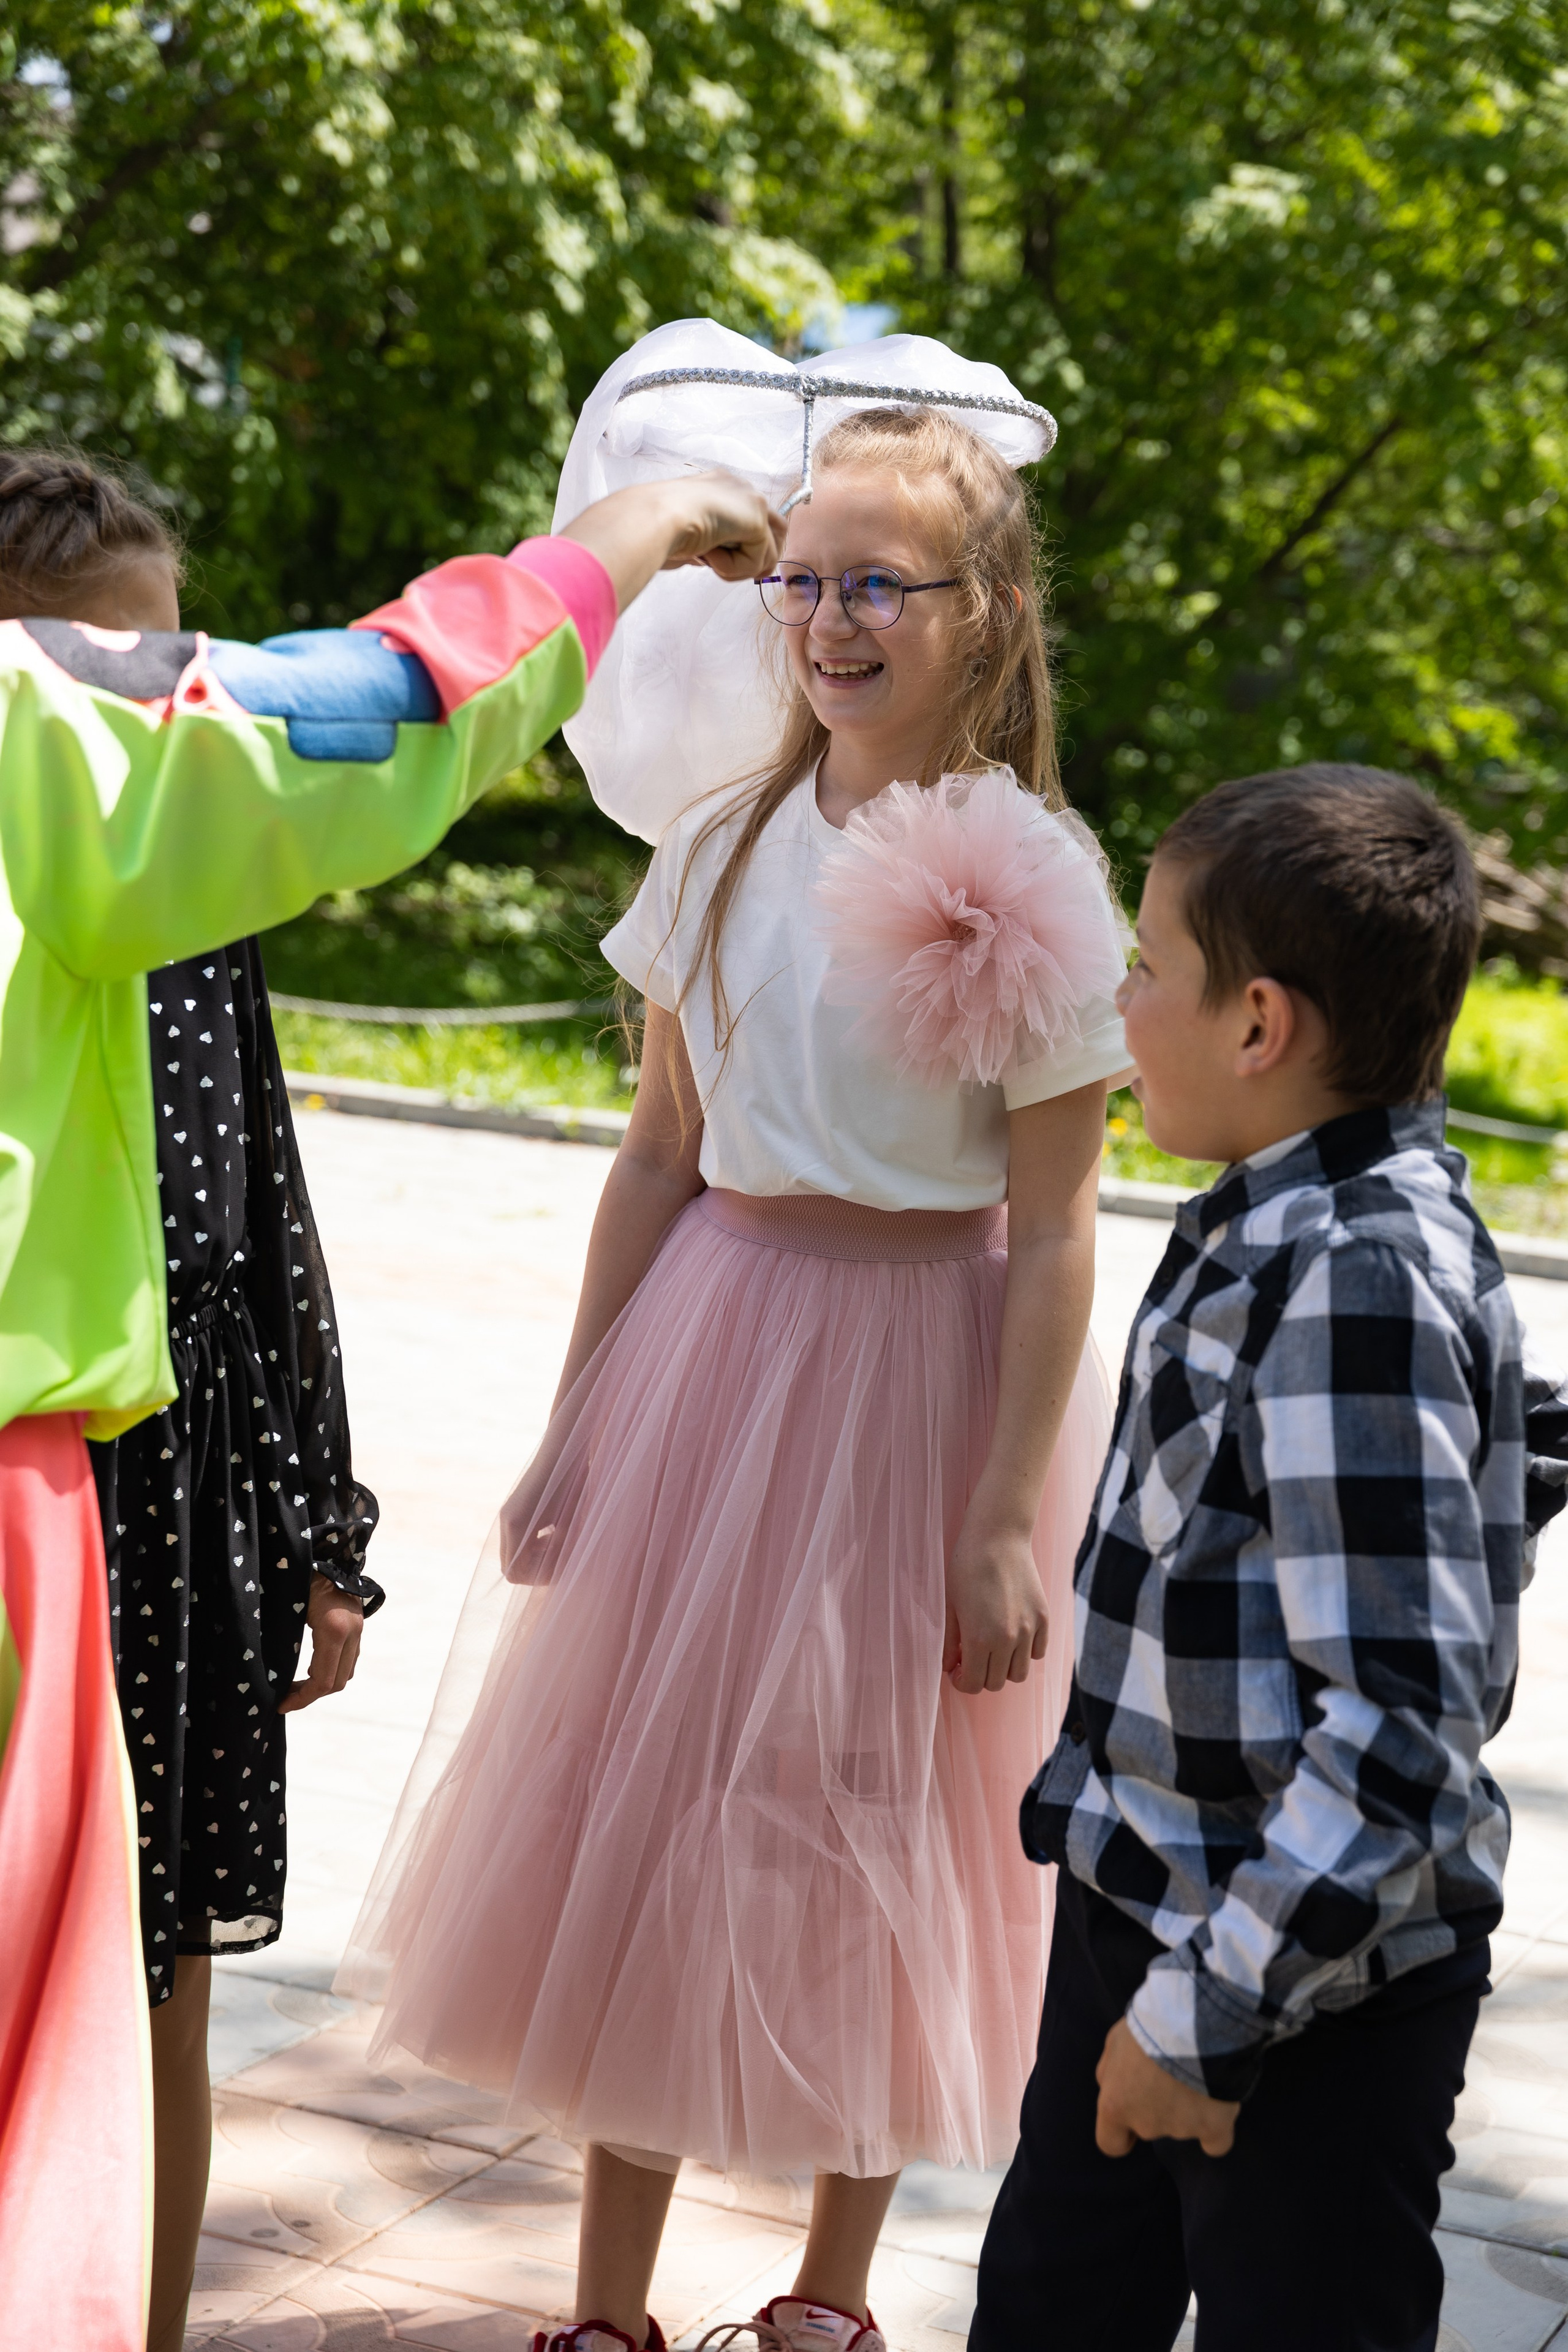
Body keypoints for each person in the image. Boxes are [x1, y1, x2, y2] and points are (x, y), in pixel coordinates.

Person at [342, 368, 1134, 2352]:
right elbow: (653, 1158)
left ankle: (826, 2302)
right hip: (719, 1352)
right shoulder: (714, 848)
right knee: (657, 1808)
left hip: (928, 1380)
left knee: (885, 1826)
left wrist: (993, 1519)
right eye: (800, 581)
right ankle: (606, 2309)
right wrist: (573, 1425)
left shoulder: (1039, 878)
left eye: (886, 585)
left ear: (988, 614)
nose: (835, 621)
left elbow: (1052, 1236)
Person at [0, 453, 782, 2352]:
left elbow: (255, 1192)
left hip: (161, 1484)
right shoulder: (49, 741)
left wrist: (314, 1517)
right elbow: (384, 701)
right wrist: (628, 533)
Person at [971, 764, 1568, 2352]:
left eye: (1148, 967)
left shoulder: (1358, 1271)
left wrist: (1200, 2020)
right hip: (1144, 1906)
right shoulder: (1282, 1210)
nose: (1117, 998)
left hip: (1297, 1989)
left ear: (1258, 1026)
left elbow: (1398, 1743)